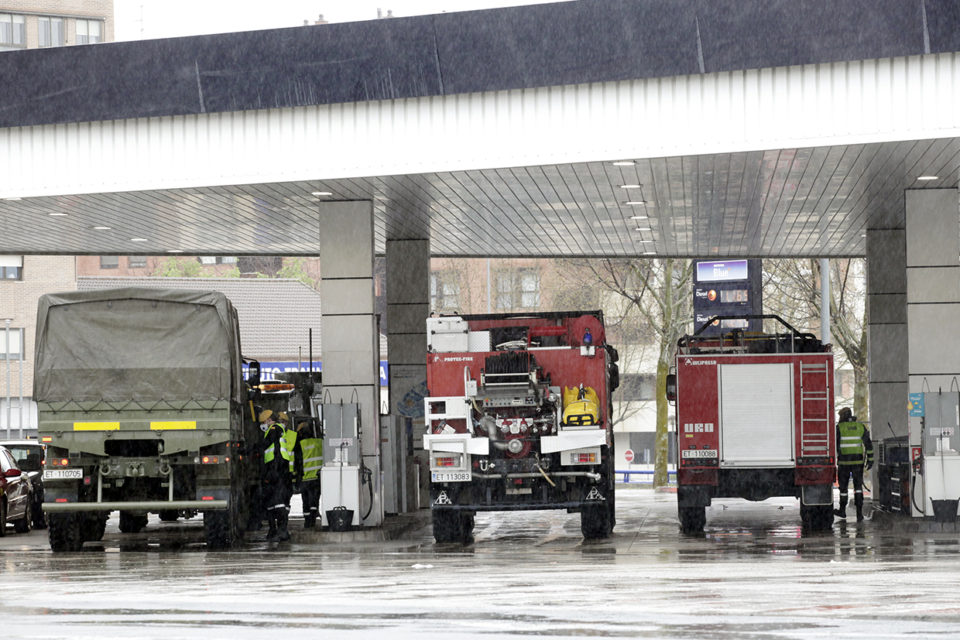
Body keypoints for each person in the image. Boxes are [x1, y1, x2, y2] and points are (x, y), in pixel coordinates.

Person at [835, 407, 873, 522]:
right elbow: (868, 444)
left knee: (843, 489)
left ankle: (842, 510)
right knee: (858, 488)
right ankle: (859, 514)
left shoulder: (839, 428)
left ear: (843, 416)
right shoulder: (860, 426)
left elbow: (835, 444)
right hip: (857, 463)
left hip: (844, 463)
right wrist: (870, 459)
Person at [260, 409, 292, 541]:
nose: (262, 425)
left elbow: (272, 450)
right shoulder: (275, 431)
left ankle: (282, 531)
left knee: (278, 503)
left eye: (263, 422)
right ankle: (277, 530)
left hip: (277, 471)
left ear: (269, 420)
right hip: (278, 471)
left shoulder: (274, 429)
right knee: (275, 503)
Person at [295, 419, 324, 528]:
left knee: (306, 501)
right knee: (314, 500)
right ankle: (313, 519)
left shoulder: (300, 445)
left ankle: (308, 522)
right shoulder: (320, 442)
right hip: (317, 478)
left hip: (305, 478)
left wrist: (296, 478)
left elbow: (298, 463)